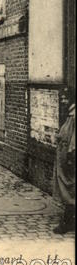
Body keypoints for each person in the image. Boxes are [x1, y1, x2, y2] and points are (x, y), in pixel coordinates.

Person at [53, 92, 75, 234]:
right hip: (65, 158)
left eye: (66, 97)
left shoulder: (74, 117)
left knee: (70, 190)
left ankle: (68, 222)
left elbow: (73, 141)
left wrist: (71, 157)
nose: (63, 99)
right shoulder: (70, 115)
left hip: (70, 159)